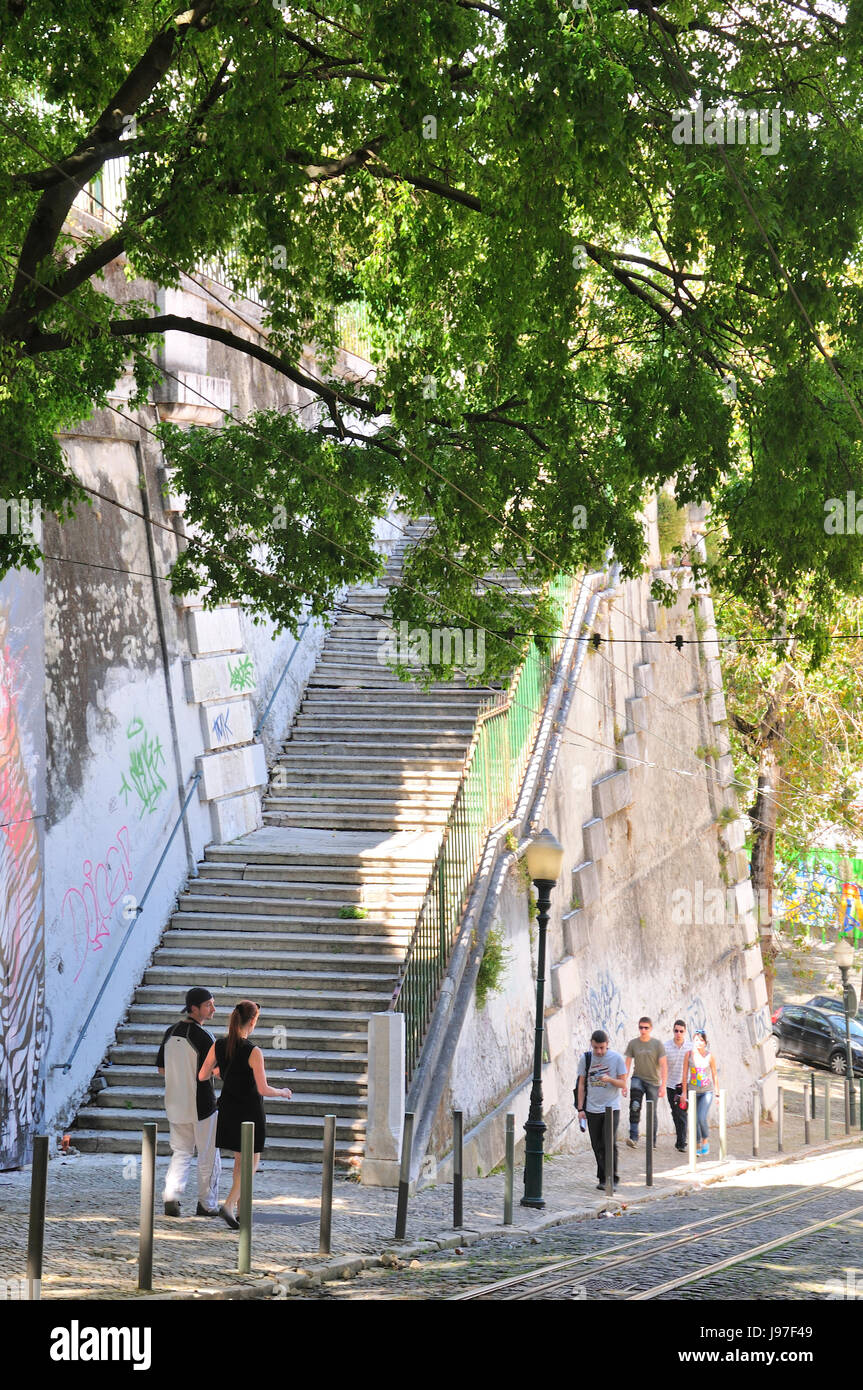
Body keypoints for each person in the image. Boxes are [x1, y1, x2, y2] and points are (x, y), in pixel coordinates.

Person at [198, 1000, 292, 1230]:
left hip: (228, 1109)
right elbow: (262, 1088)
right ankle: (229, 1206)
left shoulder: (219, 1045)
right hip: (250, 1111)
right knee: (251, 1164)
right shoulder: (253, 1051)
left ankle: (242, 1210)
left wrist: (221, 1072)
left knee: (240, 1163)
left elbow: (202, 1075)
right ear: (253, 1021)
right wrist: (282, 1092)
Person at [156, 986, 220, 1217]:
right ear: (194, 1008)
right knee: (209, 1155)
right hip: (202, 1103)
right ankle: (207, 1204)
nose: (213, 1008)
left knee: (181, 1152)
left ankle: (171, 1196)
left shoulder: (170, 1032)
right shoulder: (205, 1037)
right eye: (208, 1005)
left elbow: (162, 1069)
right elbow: (212, 1071)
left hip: (175, 1102)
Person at [575, 1029, 627, 1190]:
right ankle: (602, 1178)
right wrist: (580, 1108)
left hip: (611, 1108)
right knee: (597, 1145)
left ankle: (612, 1178)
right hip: (591, 1108)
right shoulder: (586, 1058)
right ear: (591, 1043)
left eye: (602, 1048)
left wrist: (610, 1079)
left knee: (608, 1142)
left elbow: (623, 1083)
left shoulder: (617, 1058)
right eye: (596, 1047)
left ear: (607, 1045)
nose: (599, 1051)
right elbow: (581, 1084)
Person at [624, 1016, 667, 1147]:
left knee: (651, 1112)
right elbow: (627, 1064)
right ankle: (633, 1137)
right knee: (635, 1106)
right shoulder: (633, 1044)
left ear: (651, 1028)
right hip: (637, 1079)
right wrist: (623, 1083)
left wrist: (663, 1085)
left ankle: (651, 1141)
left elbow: (664, 1065)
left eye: (646, 1028)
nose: (643, 1030)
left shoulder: (657, 1044)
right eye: (641, 1027)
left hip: (653, 1082)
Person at [681, 1030, 717, 1155]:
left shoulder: (710, 1056)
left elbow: (714, 1074)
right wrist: (684, 1093)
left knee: (701, 1117)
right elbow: (685, 1075)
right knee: (694, 1120)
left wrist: (717, 1093)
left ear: (705, 1042)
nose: (699, 1042)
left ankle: (705, 1140)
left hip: (707, 1092)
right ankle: (696, 1144)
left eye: (701, 1040)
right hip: (692, 1091)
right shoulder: (688, 1055)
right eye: (696, 1040)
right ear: (693, 1041)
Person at [664, 1019, 690, 1153]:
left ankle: (682, 1142)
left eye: (681, 1031)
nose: (678, 1033)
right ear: (673, 1031)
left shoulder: (690, 1047)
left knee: (682, 1113)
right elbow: (661, 1066)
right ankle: (680, 1139)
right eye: (676, 1031)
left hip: (685, 1086)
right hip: (670, 1085)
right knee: (675, 1114)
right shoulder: (666, 1046)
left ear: (685, 1032)